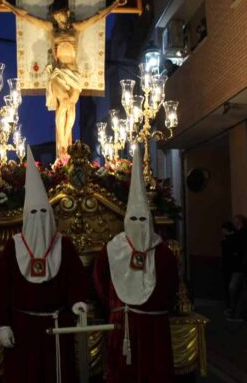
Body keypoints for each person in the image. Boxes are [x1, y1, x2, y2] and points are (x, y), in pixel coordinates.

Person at [0, 145, 87, 383]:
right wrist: (3, 325)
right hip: (22, 331)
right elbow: (2, 288)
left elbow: (76, 280)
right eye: (34, 212)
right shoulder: (13, 247)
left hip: (57, 328)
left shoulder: (64, 246)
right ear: (25, 215)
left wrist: (78, 303)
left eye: (44, 212)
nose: (39, 218)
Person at [0, 0, 127, 158]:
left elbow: (98, 17)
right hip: (58, 72)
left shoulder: (76, 28)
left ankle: (66, 145)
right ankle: (63, 147)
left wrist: (115, 5)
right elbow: (27, 17)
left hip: (74, 73)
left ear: (67, 14)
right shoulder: (51, 29)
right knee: (63, 102)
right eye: (56, 17)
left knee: (71, 106)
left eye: (60, 16)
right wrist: (7, 5)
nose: (58, 20)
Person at [93, 148, 178, 383]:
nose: (139, 224)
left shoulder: (162, 253)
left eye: (143, 219)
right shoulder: (111, 250)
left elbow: (171, 286)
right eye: (134, 219)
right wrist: (115, 307)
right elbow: (100, 282)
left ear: (149, 221)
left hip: (155, 330)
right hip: (124, 328)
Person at [226, 215, 247, 321]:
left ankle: (236, 312)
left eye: (235, 221)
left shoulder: (241, 234)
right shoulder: (241, 234)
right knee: (240, 289)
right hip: (239, 265)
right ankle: (237, 312)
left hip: (239, 266)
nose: (234, 223)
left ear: (239, 222)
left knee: (234, 288)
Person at [220, 221, 234, 313]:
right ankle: (230, 306)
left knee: (229, 286)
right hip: (229, 265)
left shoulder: (228, 240)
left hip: (229, 265)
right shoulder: (229, 239)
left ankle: (230, 306)